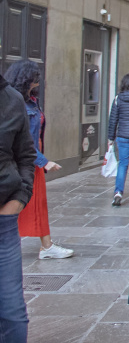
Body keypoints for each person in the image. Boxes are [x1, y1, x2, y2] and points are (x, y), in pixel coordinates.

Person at [6, 61, 74, 260]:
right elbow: (24, 140)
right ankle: (45, 246)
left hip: (30, 161)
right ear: (26, 80)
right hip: (26, 162)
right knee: (21, 202)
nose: (38, 82)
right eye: (35, 79)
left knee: (36, 203)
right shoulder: (20, 104)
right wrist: (44, 161)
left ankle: (46, 245)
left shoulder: (30, 102)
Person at [0, 70, 36, 342]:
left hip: (3, 225)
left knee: (12, 314)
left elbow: (25, 155)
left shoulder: (12, 99)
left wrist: (19, 198)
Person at [107, 73, 129, 207]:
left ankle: (118, 192)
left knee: (123, 164)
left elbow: (113, 119)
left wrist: (110, 138)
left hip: (123, 137)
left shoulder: (117, 99)